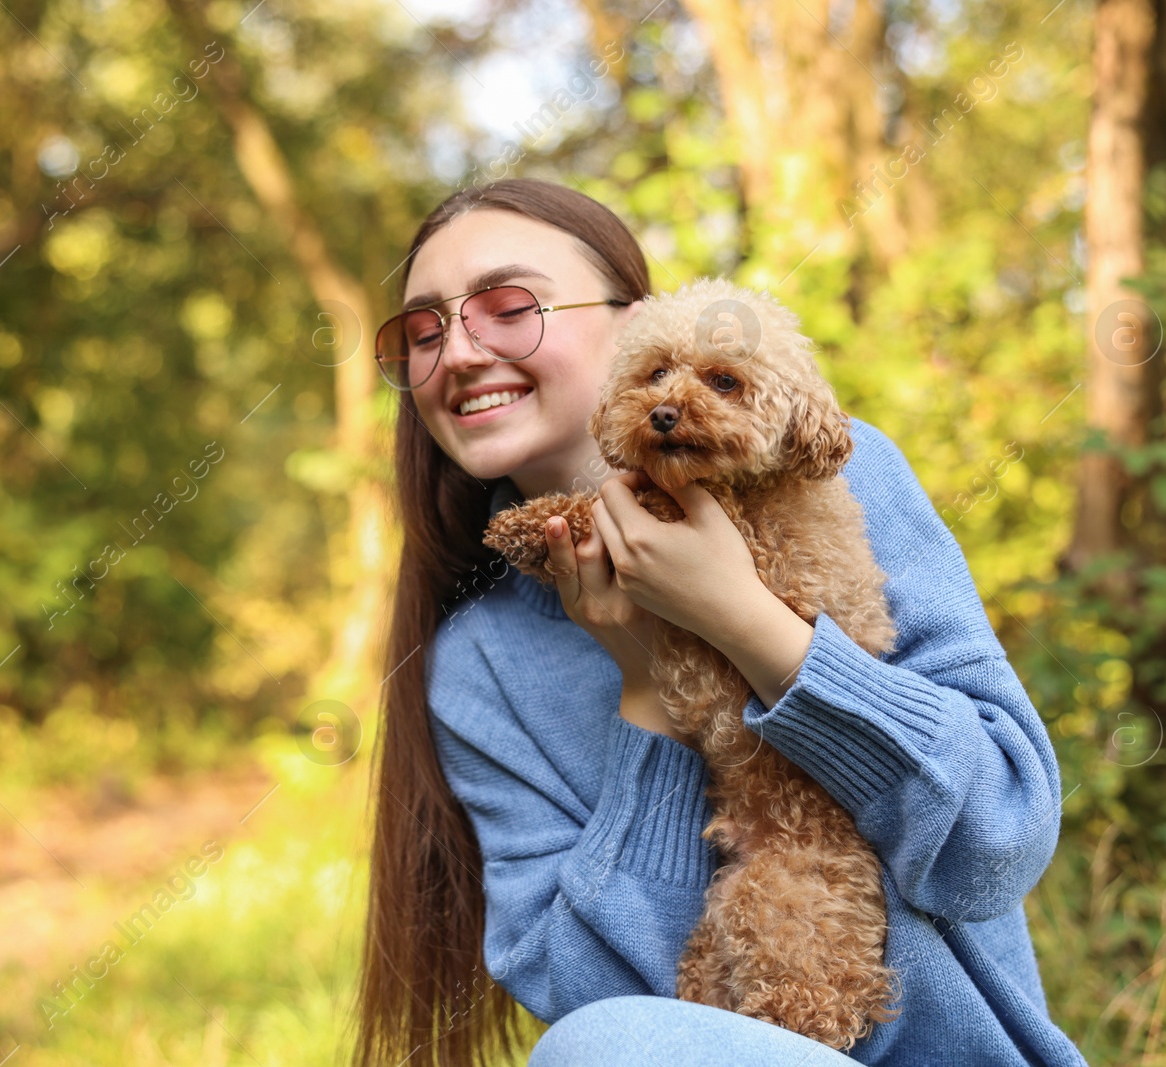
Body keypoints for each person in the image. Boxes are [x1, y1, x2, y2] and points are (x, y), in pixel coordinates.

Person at [352, 178, 1087, 1067]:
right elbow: (592, 1004)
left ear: (634, 320)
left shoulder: (843, 484)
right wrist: (648, 682)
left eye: (508, 307)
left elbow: (998, 844)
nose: (460, 353)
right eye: (423, 333)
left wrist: (745, 622)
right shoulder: (478, 665)